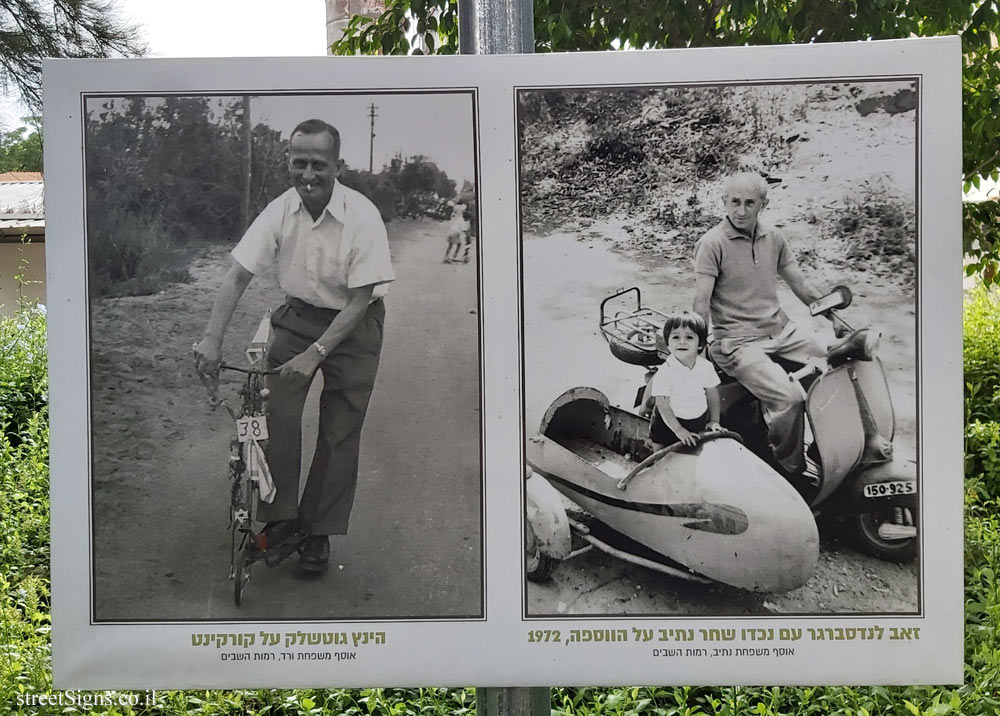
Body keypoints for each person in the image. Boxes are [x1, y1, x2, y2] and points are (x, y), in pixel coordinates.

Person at [194, 118, 394, 574]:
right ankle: (281, 519)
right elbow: (238, 275)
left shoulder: (362, 215)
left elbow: (361, 299)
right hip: (299, 317)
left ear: (336, 165)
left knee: (340, 429)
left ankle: (317, 532)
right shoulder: (280, 210)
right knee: (273, 414)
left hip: (355, 323)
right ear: (288, 160)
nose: (308, 174)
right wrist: (211, 337)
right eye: (299, 162)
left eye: (318, 164)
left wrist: (317, 353)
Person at [693, 171, 833, 477]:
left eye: (749, 203)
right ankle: (788, 469)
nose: (741, 211)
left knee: (836, 367)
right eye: (734, 202)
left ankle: (824, 451)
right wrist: (696, 353)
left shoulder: (775, 237)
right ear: (723, 202)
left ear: (763, 204)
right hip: (737, 342)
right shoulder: (712, 243)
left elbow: (800, 283)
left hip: (781, 330)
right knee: (789, 398)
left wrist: (833, 314)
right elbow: (701, 302)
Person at [647, 311, 722, 447]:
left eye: (689, 337)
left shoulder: (705, 367)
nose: (682, 342)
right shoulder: (666, 371)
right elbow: (662, 404)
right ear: (668, 344)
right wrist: (679, 430)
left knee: (692, 452)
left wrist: (714, 420)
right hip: (667, 422)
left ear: (700, 344)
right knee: (661, 452)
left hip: (697, 419)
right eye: (675, 337)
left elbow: (712, 394)